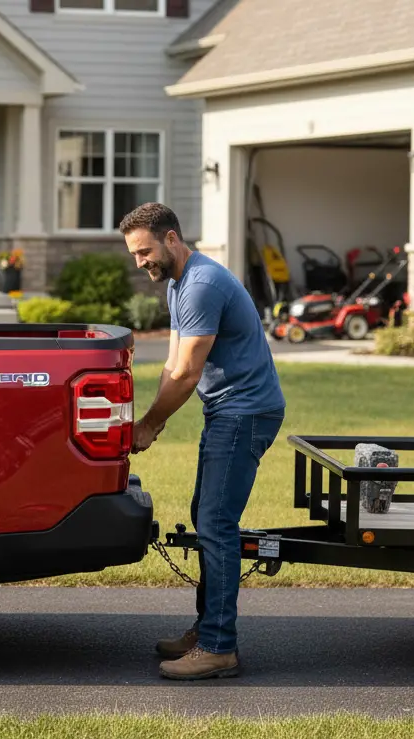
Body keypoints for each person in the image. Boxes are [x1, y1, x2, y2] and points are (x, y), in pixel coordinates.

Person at [118, 202, 286, 681]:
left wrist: (149, 424)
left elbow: (189, 372)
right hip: (229, 410)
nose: (140, 262)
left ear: (172, 239)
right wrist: (147, 418)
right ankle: (206, 628)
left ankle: (218, 646)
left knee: (216, 522)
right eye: (133, 254)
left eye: (144, 251)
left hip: (245, 411)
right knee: (207, 518)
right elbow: (172, 365)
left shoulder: (203, 284)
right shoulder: (178, 285)